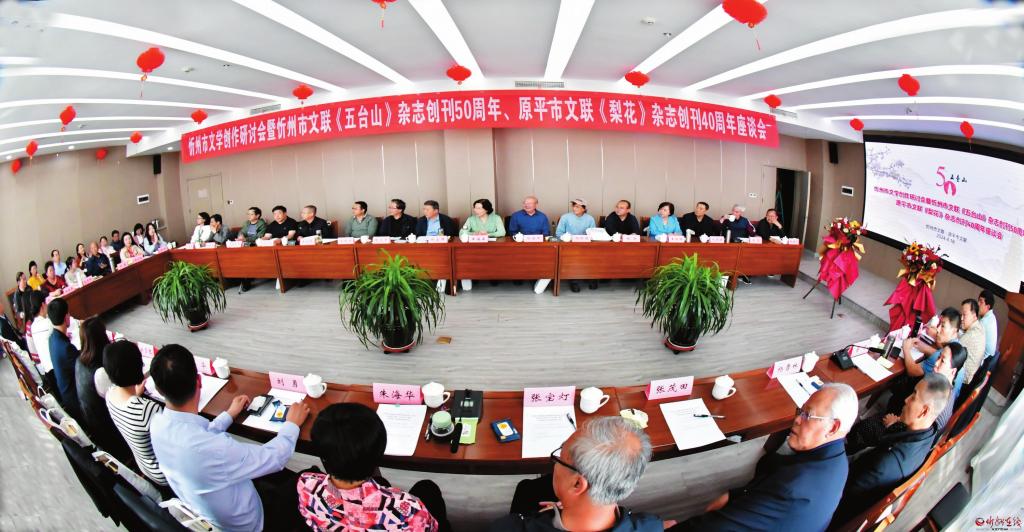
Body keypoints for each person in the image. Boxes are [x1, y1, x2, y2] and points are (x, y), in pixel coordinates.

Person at [150, 344, 310, 531]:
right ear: (199, 380)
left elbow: (199, 438)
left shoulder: (157, 425)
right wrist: (292, 424)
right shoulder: (214, 449)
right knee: (307, 477)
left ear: (159, 390)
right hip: (252, 522)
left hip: (212, 512)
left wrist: (228, 415)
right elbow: (274, 458)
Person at [668, 384, 858, 532]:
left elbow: (716, 527)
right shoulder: (839, 461)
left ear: (833, 427)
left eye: (808, 415)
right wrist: (735, 494)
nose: (797, 419)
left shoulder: (792, 488)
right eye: (800, 411)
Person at [299, 403, 451, 531]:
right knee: (427, 488)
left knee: (384, 482)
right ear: (379, 452)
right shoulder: (408, 510)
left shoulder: (305, 484)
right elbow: (430, 528)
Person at [493, 416, 661, 531]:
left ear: (577, 484)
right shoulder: (652, 525)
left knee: (527, 489)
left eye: (560, 457)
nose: (556, 462)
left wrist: (545, 515)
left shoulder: (507, 528)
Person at [832, 374, 950, 526]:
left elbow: (844, 491)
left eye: (913, 396)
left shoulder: (885, 464)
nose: (906, 400)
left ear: (924, 411)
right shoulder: (929, 432)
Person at [104, 340, 171, 490]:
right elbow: (173, 443)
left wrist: (135, 395)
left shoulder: (110, 394)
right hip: (163, 473)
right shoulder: (147, 410)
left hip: (143, 465)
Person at [75, 317, 133, 465]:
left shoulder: (79, 361)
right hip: (109, 433)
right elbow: (121, 400)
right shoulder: (99, 373)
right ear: (101, 337)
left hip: (92, 423)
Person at [458, 199, 506, 292]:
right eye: (475, 208)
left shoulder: (496, 218)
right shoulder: (471, 219)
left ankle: (493, 276)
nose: (476, 210)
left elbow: (502, 232)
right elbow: (462, 232)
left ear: (486, 209)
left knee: (493, 258)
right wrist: (474, 234)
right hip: (474, 247)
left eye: (479, 208)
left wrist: (487, 234)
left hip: (492, 247)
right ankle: (475, 276)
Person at [47, 298, 82, 421]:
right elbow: (83, 367)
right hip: (76, 399)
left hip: (65, 394)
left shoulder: (52, 338)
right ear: (66, 317)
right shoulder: (66, 348)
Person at [556, 199, 598, 293]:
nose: (574, 208)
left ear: (584, 209)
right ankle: (574, 280)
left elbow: (593, 234)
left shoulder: (590, 218)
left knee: (593, 256)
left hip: (585, 246)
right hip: (569, 245)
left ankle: (591, 277)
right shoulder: (565, 217)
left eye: (577, 207)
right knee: (573, 257)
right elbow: (558, 233)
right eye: (574, 206)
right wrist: (567, 238)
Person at [958, 298, 987, 383]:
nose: (961, 318)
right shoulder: (979, 328)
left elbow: (951, 352)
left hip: (961, 379)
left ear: (974, 316)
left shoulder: (972, 334)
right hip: (968, 376)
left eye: (964, 315)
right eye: (961, 315)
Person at [27, 291, 54, 373]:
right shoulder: (48, 323)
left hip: (46, 370)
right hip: (55, 368)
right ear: (43, 305)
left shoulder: (32, 326)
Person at [977, 290, 998, 362]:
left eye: (981, 302)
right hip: (986, 359)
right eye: (978, 301)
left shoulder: (984, 321)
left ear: (988, 307)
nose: (978, 304)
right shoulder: (992, 317)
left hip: (982, 360)